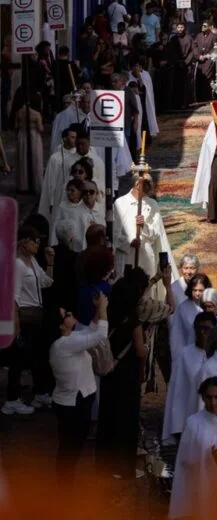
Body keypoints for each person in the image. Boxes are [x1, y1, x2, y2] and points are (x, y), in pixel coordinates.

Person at [98, 267, 172, 480]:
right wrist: (147, 348)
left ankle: (104, 465)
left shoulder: (110, 314)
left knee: (109, 416)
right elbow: (140, 350)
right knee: (126, 420)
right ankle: (123, 468)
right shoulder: (134, 321)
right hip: (128, 373)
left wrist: (156, 277)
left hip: (110, 370)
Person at [169, 376, 217, 520]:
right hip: (205, 483)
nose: (213, 402)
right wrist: (208, 456)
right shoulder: (193, 423)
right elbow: (186, 462)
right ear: (202, 398)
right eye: (208, 397)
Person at [49, 294, 108, 478]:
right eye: (66, 314)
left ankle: (65, 484)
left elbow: (90, 331)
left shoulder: (70, 339)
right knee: (69, 449)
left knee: (71, 448)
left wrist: (98, 308)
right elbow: (99, 336)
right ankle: (64, 489)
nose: (70, 313)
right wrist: (104, 308)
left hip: (76, 401)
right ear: (60, 326)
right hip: (72, 404)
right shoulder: (64, 344)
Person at [9, 227, 55, 415]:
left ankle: (39, 393)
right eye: (34, 241)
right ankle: (12, 399)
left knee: (38, 356)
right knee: (18, 359)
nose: (38, 244)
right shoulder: (18, 264)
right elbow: (14, 296)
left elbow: (46, 282)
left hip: (36, 316)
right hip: (25, 317)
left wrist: (50, 263)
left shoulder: (33, 262)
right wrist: (16, 324)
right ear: (24, 242)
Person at [113, 172, 179, 299]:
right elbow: (114, 233)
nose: (152, 186)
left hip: (146, 255)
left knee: (146, 290)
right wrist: (130, 242)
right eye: (148, 183)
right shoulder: (120, 203)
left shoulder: (152, 204)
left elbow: (156, 232)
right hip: (127, 255)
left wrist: (144, 226)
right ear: (138, 184)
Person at [162, 312, 217, 442]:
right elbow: (177, 392)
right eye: (199, 328)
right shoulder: (185, 355)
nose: (203, 332)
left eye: (207, 329)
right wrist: (177, 425)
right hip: (192, 419)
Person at [169, 273, 211, 366]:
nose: (197, 293)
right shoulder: (184, 309)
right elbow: (176, 337)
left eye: (201, 290)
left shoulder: (213, 306)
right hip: (190, 359)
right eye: (194, 290)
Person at [14, 92, 44, 194]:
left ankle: (23, 184)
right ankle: (35, 183)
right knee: (35, 159)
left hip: (22, 136)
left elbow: (16, 126)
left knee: (22, 160)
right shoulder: (36, 114)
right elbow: (40, 128)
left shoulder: (18, 112)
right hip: (34, 136)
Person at [194, 21, 217, 102]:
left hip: (208, 60)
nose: (203, 27)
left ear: (209, 27)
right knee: (200, 77)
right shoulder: (198, 36)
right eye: (202, 26)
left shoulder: (213, 36)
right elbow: (195, 46)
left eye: (205, 26)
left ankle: (207, 97)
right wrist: (198, 55)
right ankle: (200, 98)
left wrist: (206, 56)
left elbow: (214, 48)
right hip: (200, 60)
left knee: (207, 77)